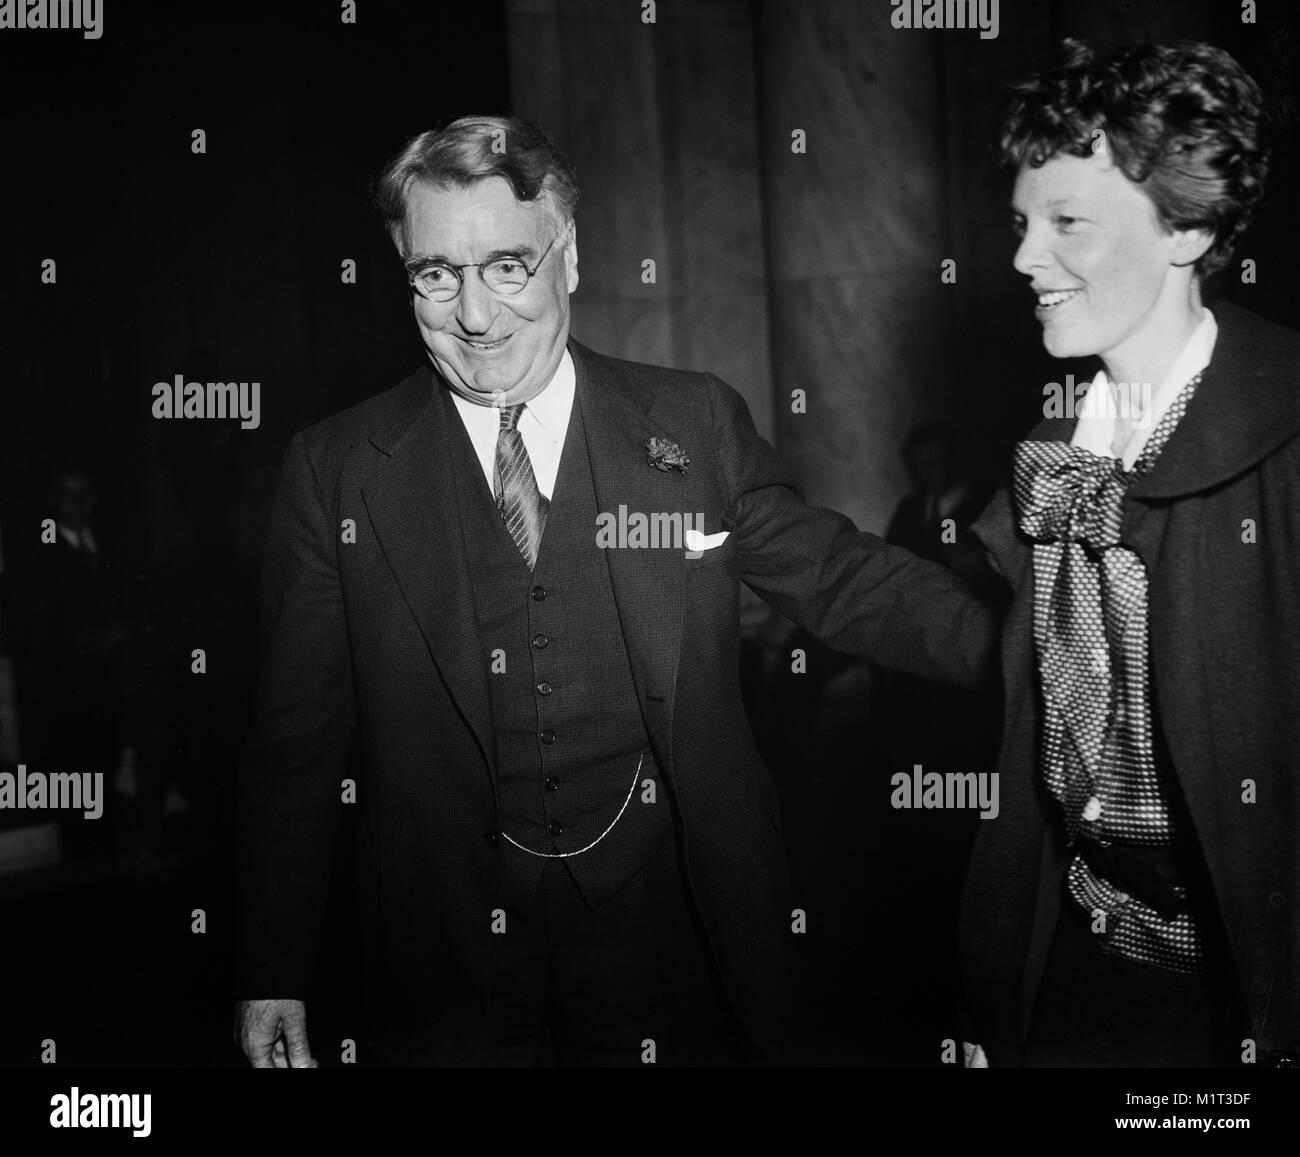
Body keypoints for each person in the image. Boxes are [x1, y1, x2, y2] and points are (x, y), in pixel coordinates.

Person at [234, 115, 999, 1067]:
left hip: (672, 926)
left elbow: (845, 578)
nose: (475, 314)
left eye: (508, 265)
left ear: (571, 258)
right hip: (448, 959)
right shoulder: (337, 470)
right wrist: (273, 963)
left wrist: (1041, 649)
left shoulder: (690, 424)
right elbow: (296, 745)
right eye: (437, 273)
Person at [960, 39, 1299, 1067]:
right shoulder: (1055, 455)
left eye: (1068, 222)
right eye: (1023, 223)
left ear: (1186, 227)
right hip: (1078, 970)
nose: (1024, 257)